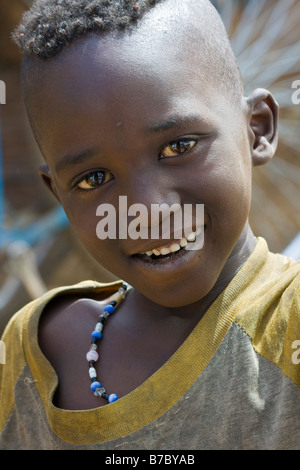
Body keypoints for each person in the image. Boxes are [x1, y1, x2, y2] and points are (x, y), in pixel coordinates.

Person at [0, 0, 299, 450]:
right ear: (57, 192)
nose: (146, 209)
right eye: (93, 178)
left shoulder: (289, 322)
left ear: (257, 129)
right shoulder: (32, 349)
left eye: (178, 147)